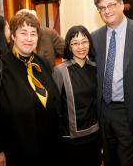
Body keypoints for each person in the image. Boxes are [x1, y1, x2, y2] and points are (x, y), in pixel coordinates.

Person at [0, 12, 61, 165]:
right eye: (23, 33)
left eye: (33, 34)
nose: (29, 39)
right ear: (13, 36)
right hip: (16, 151)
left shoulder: (42, 63)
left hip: (48, 149)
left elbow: (54, 103)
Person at [91, 0, 133, 166]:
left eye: (111, 5)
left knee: (128, 161)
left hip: (128, 110)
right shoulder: (95, 37)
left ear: (121, 5)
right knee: (109, 159)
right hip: (103, 111)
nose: (107, 11)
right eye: (102, 8)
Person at [52, 25, 102, 166]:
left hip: (95, 134)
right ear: (69, 46)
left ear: (90, 43)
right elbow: (55, 108)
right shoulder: (60, 71)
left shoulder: (95, 67)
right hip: (70, 139)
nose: (80, 46)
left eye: (84, 41)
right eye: (75, 43)